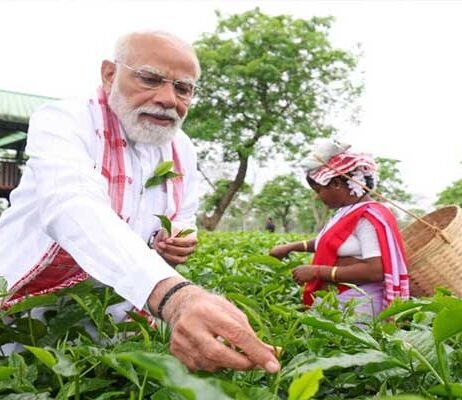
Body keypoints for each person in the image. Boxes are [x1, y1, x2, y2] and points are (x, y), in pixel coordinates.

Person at [0, 31, 279, 373]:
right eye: (150, 79)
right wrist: (174, 296)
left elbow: (184, 213)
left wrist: (181, 236)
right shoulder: (65, 119)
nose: (167, 99)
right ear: (109, 74)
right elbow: (72, 204)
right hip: (30, 309)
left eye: (183, 88)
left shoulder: (182, 148)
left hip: (118, 311)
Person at [269, 140, 409, 317]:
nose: (318, 197)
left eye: (319, 190)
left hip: (360, 306)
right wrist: (291, 247)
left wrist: (317, 271)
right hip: (340, 301)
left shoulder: (367, 216)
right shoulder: (347, 211)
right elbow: (332, 242)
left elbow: (376, 270)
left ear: (336, 183)